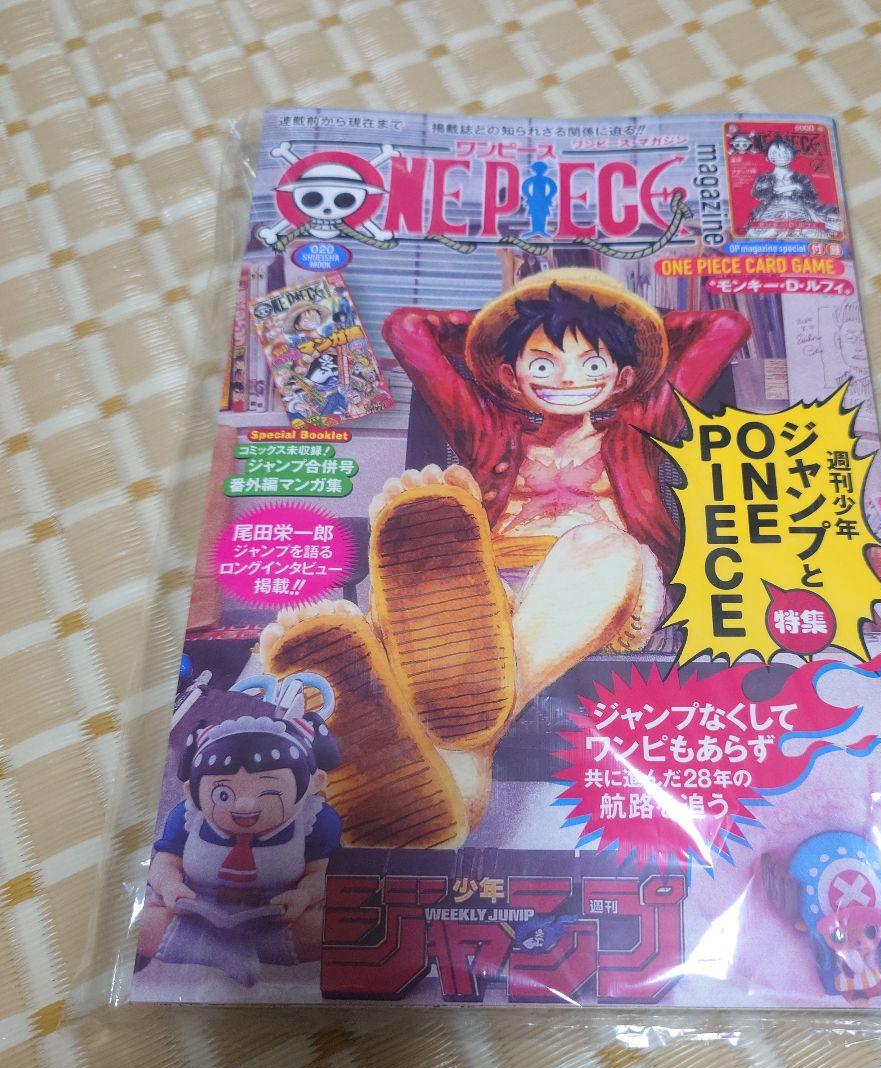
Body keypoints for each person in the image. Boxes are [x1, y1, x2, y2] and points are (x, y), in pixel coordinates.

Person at [259, 269, 749, 842]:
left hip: (597, 589)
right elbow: (406, 328)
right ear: (511, 377)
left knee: (600, 545)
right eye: (543, 364)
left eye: (591, 363)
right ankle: (452, 761)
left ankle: (446, 735)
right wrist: (503, 327)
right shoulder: (489, 432)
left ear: (622, 377)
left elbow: (726, 325)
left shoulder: (643, 426)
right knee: (442, 558)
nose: (568, 378)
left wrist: (610, 319)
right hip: (483, 593)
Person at [137, 677, 342, 978]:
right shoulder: (187, 817)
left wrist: (304, 896)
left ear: (314, 784)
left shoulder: (316, 820)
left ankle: (238, 950)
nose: (244, 806)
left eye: (268, 792)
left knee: (329, 929)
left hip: (277, 915)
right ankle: (216, 951)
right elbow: (165, 861)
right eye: (224, 794)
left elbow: (321, 873)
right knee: (140, 924)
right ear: (191, 791)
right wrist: (170, 886)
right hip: (195, 911)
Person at [745, 136, 841, 239]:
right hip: (773, 208)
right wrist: (788, 188)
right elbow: (758, 193)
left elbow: (812, 196)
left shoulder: (801, 177)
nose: (780, 156)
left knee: (809, 230)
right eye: (774, 153)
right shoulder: (765, 177)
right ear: (767, 157)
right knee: (761, 231)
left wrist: (798, 187)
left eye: (785, 152)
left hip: (797, 207)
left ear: (793, 155)